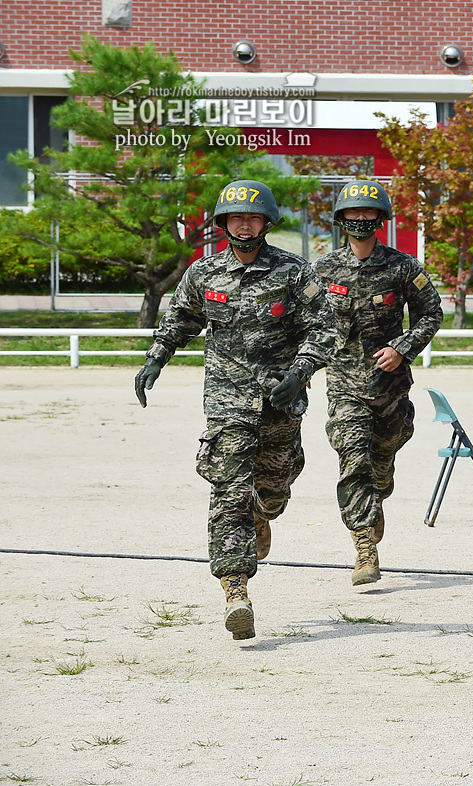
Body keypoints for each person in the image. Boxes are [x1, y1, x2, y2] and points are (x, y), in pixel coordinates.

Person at [134, 179, 334, 641]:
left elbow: (324, 328)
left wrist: (300, 370)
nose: (244, 225)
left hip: (279, 400)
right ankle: (235, 590)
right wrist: (155, 359)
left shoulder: (293, 272)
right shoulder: (204, 274)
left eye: (253, 218)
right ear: (224, 224)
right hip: (227, 403)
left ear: (266, 222)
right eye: (235, 218)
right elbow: (179, 320)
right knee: (227, 492)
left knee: (273, 489)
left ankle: (264, 512)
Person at [312, 179, 443, 586]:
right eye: (354, 213)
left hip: (389, 387)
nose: (361, 220)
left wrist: (403, 347)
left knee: (380, 464)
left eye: (369, 213)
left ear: (380, 219)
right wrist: (302, 367)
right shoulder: (321, 269)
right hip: (344, 385)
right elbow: (304, 323)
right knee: (354, 460)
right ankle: (365, 546)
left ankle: (377, 494)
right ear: (341, 219)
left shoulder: (403, 267)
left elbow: (432, 312)